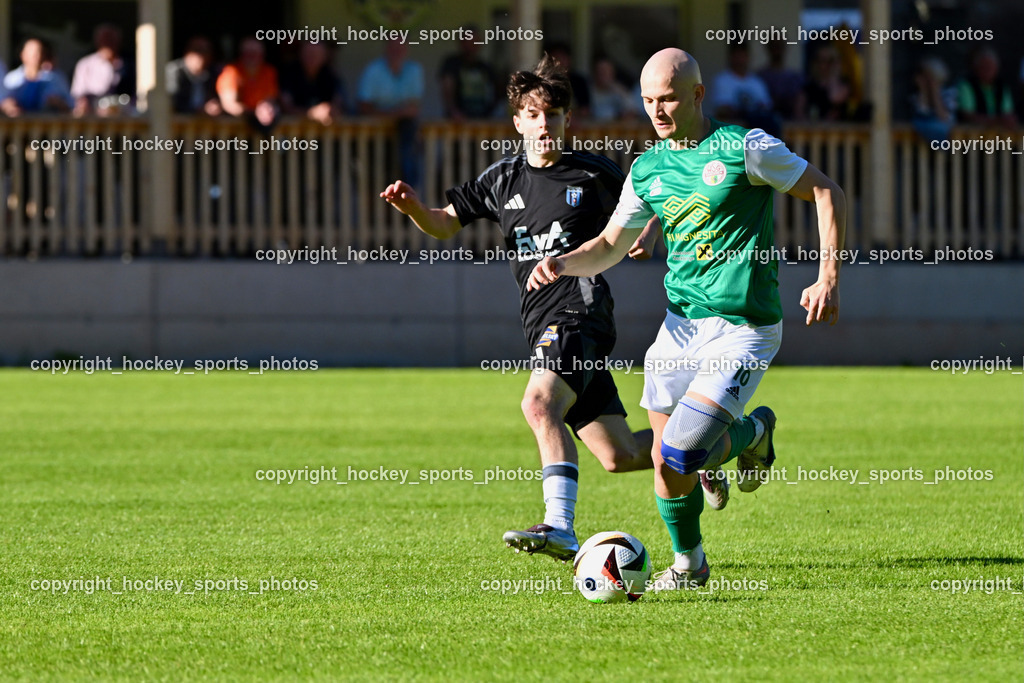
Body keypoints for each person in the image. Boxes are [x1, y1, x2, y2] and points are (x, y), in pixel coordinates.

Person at [527, 48, 845, 590]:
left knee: (682, 451)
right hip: (679, 330)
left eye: (669, 98)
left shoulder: (746, 148)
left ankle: (752, 432)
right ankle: (691, 566)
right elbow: (609, 244)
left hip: (744, 327)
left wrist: (828, 274)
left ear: (698, 95)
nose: (658, 110)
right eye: (649, 100)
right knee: (665, 463)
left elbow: (824, 189)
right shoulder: (647, 168)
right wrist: (561, 262)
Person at [380, 55, 659, 562]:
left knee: (538, 404)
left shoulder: (593, 172)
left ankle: (559, 526)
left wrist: (645, 234)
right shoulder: (500, 180)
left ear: (567, 120)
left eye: (553, 114)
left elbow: (651, 201)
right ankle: (712, 446)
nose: (544, 123)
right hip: (541, 324)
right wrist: (413, 209)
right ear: (518, 122)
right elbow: (445, 223)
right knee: (621, 455)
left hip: (580, 311)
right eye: (533, 114)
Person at [359, 40, 424, 188]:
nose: (397, 51)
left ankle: (409, 205)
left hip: (406, 133)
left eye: (401, 48)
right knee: (373, 181)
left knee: (408, 175)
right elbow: (363, 106)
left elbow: (413, 108)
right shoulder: (373, 70)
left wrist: (388, 113)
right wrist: (397, 113)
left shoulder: (414, 70)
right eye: (393, 47)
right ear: (386, 49)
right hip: (374, 134)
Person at [710, 43, 777, 134]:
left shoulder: (757, 81)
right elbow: (722, 109)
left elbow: (766, 106)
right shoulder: (722, 80)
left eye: (743, 56)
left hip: (758, 132)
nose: (740, 60)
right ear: (731, 57)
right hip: (731, 132)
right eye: (737, 56)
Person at [70, 23, 134, 116]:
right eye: (105, 40)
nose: (108, 44)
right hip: (93, 117)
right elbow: (78, 95)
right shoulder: (85, 64)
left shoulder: (128, 65)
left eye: (111, 40)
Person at [216, 37, 279, 129]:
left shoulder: (268, 72)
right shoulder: (231, 71)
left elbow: (270, 99)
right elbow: (229, 104)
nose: (252, 57)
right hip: (234, 128)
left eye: (256, 53)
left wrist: (266, 109)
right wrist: (254, 112)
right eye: (248, 53)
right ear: (241, 55)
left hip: (263, 127)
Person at [1, 38, 73, 115]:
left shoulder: (56, 78)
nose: (37, 56)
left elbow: (72, 108)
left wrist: (59, 103)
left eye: (39, 52)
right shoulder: (11, 79)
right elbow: (4, 102)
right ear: (22, 55)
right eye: (33, 53)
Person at [439, 26, 498, 120]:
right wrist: (453, 111)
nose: (474, 44)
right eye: (470, 41)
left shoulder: (486, 67)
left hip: (482, 119)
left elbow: (495, 92)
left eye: (476, 40)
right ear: (462, 42)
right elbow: (447, 89)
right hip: (457, 121)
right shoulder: (452, 64)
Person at [280, 41, 346, 125]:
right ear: (301, 54)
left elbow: (338, 104)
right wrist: (311, 113)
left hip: (322, 132)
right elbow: (286, 108)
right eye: (309, 54)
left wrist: (331, 111)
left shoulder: (330, 75)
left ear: (324, 57)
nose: (311, 58)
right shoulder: (289, 74)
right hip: (290, 132)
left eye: (315, 55)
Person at [957, 48, 1017, 127]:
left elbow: (1008, 113)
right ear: (976, 68)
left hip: (999, 132)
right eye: (984, 67)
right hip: (972, 132)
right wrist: (996, 121)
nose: (987, 70)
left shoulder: (1002, 86)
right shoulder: (967, 85)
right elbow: (968, 115)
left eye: (990, 67)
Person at [166, 36, 221, 115]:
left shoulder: (213, 74)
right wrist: (198, 110)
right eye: (198, 50)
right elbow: (171, 103)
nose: (202, 56)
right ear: (187, 52)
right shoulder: (174, 72)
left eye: (206, 51)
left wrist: (214, 106)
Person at [757, 39, 804, 120]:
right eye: (773, 45)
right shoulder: (759, 78)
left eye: (779, 45)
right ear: (768, 48)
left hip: (790, 125)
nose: (776, 49)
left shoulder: (795, 78)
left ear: (785, 47)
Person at [590, 56, 635, 122]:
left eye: (606, 71)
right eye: (600, 71)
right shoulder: (588, 91)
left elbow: (633, 110)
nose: (603, 74)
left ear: (612, 72)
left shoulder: (619, 90)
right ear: (595, 73)